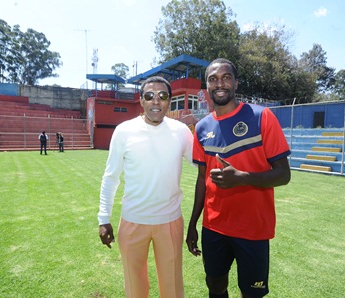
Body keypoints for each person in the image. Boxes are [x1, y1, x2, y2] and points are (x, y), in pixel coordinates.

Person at [186, 58, 291, 298]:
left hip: (253, 227)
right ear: (207, 86)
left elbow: (284, 175)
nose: (219, 83)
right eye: (213, 79)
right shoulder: (202, 128)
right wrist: (193, 224)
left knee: (252, 293)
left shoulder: (261, 116)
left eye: (226, 77)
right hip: (214, 227)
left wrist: (243, 178)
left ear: (236, 82)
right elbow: (202, 180)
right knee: (215, 286)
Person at [98, 76, 193, 298]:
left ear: (170, 100)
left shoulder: (181, 131)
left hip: (170, 221)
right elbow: (110, 177)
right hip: (132, 221)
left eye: (163, 96)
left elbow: (202, 163)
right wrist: (104, 218)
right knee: (135, 288)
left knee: (173, 288)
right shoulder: (124, 131)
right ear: (141, 100)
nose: (156, 101)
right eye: (149, 96)